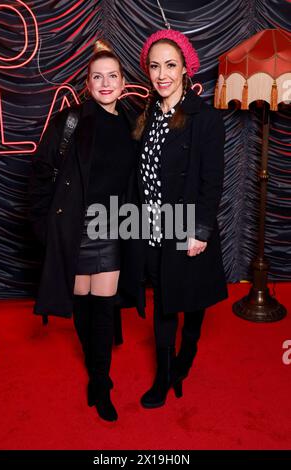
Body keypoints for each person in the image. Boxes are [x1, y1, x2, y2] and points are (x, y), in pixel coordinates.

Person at [28, 40, 136, 421]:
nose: (105, 83)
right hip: (74, 227)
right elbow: (41, 174)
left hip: (112, 228)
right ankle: (96, 369)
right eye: (97, 77)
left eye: (112, 76)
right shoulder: (70, 121)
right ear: (87, 84)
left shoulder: (132, 121)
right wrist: (46, 228)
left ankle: (100, 381)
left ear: (124, 82)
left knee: (104, 309)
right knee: (83, 308)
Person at [128, 29, 228, 408]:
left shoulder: (205, 119)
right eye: (154, 66)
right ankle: (165, 376)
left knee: (192, 300)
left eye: (170, 64)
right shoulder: (148, 113)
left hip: (187, 226)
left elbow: (211, 180)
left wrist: (200, 229)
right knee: (166, 301)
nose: (161, 74)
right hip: (153, 228)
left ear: (186, 68)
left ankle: (188, 352)